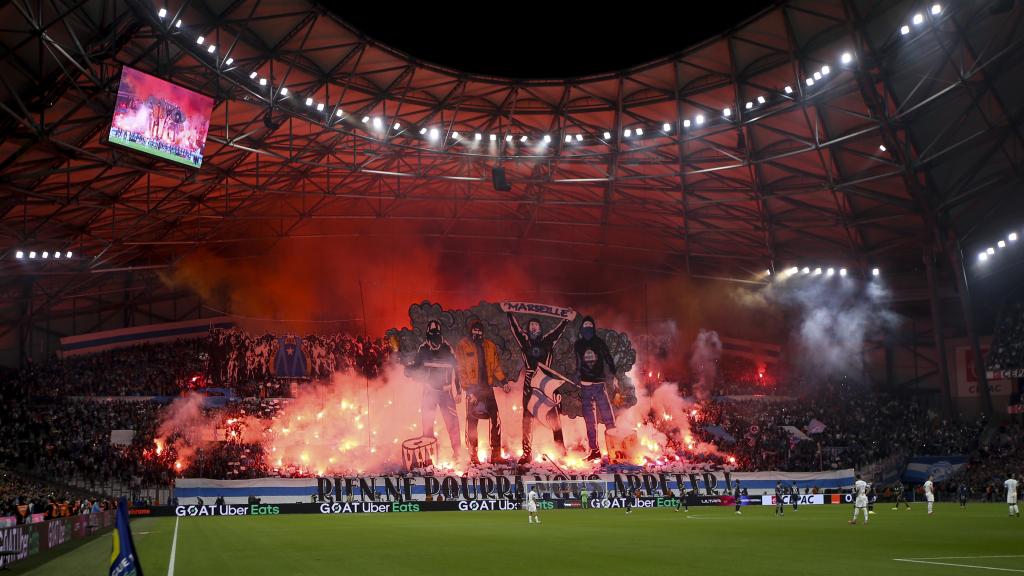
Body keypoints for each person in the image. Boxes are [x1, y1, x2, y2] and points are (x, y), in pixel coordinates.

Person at [507, 311, 569, 464]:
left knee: (554, 416)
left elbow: (557, 332)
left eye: (536, 325)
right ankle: (526, 452)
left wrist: (566, 320)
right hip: (530, 381)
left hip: (546, 381)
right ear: (528, 329)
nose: (533, 328)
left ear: (540, 328)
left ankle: (560, 451)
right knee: (527, 418)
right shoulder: (525, 341)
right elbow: (516, 330)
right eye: (531, 326)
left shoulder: (547, 341)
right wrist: (509, 314)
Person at [454, 318, 509, 464]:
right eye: (474, 329)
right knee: (472, 422)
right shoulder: (463, 346)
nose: (477, 332)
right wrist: (468, 390)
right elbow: (460, 369)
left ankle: (496, 455)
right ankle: (473, 456)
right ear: (470, 330)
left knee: (495, 419)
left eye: (479, 330)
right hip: (473, 389)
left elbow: (496, 366)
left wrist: (503, 381)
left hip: (488, 388)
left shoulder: (490, 346)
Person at [406, 320, 462, 460]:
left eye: (436, 335)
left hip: (446, 392)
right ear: (427, 335)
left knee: (452, 422)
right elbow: (417, 367)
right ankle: (428, 454)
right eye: (431, 335)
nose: (434, 339)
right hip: (429, 390)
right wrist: (409, 370)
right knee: (427, 422)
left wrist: (459, 390)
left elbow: (457, 369)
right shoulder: (423, 348)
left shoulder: (447, 348)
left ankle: (457, 453)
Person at [573, 316, 619, 461]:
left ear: (593, 327)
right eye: (585, 326)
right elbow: (578, 361)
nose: (587, 328)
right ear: (582, 328)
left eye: (589, 325)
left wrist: (614, 373)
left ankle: (615, 450)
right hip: (585, 386)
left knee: (608, 418)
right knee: (589, 421)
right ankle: (595, 451)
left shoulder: (599, 342)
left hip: (599, 384)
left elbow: (607, 357)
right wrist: (577, 374)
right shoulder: (578, 344)